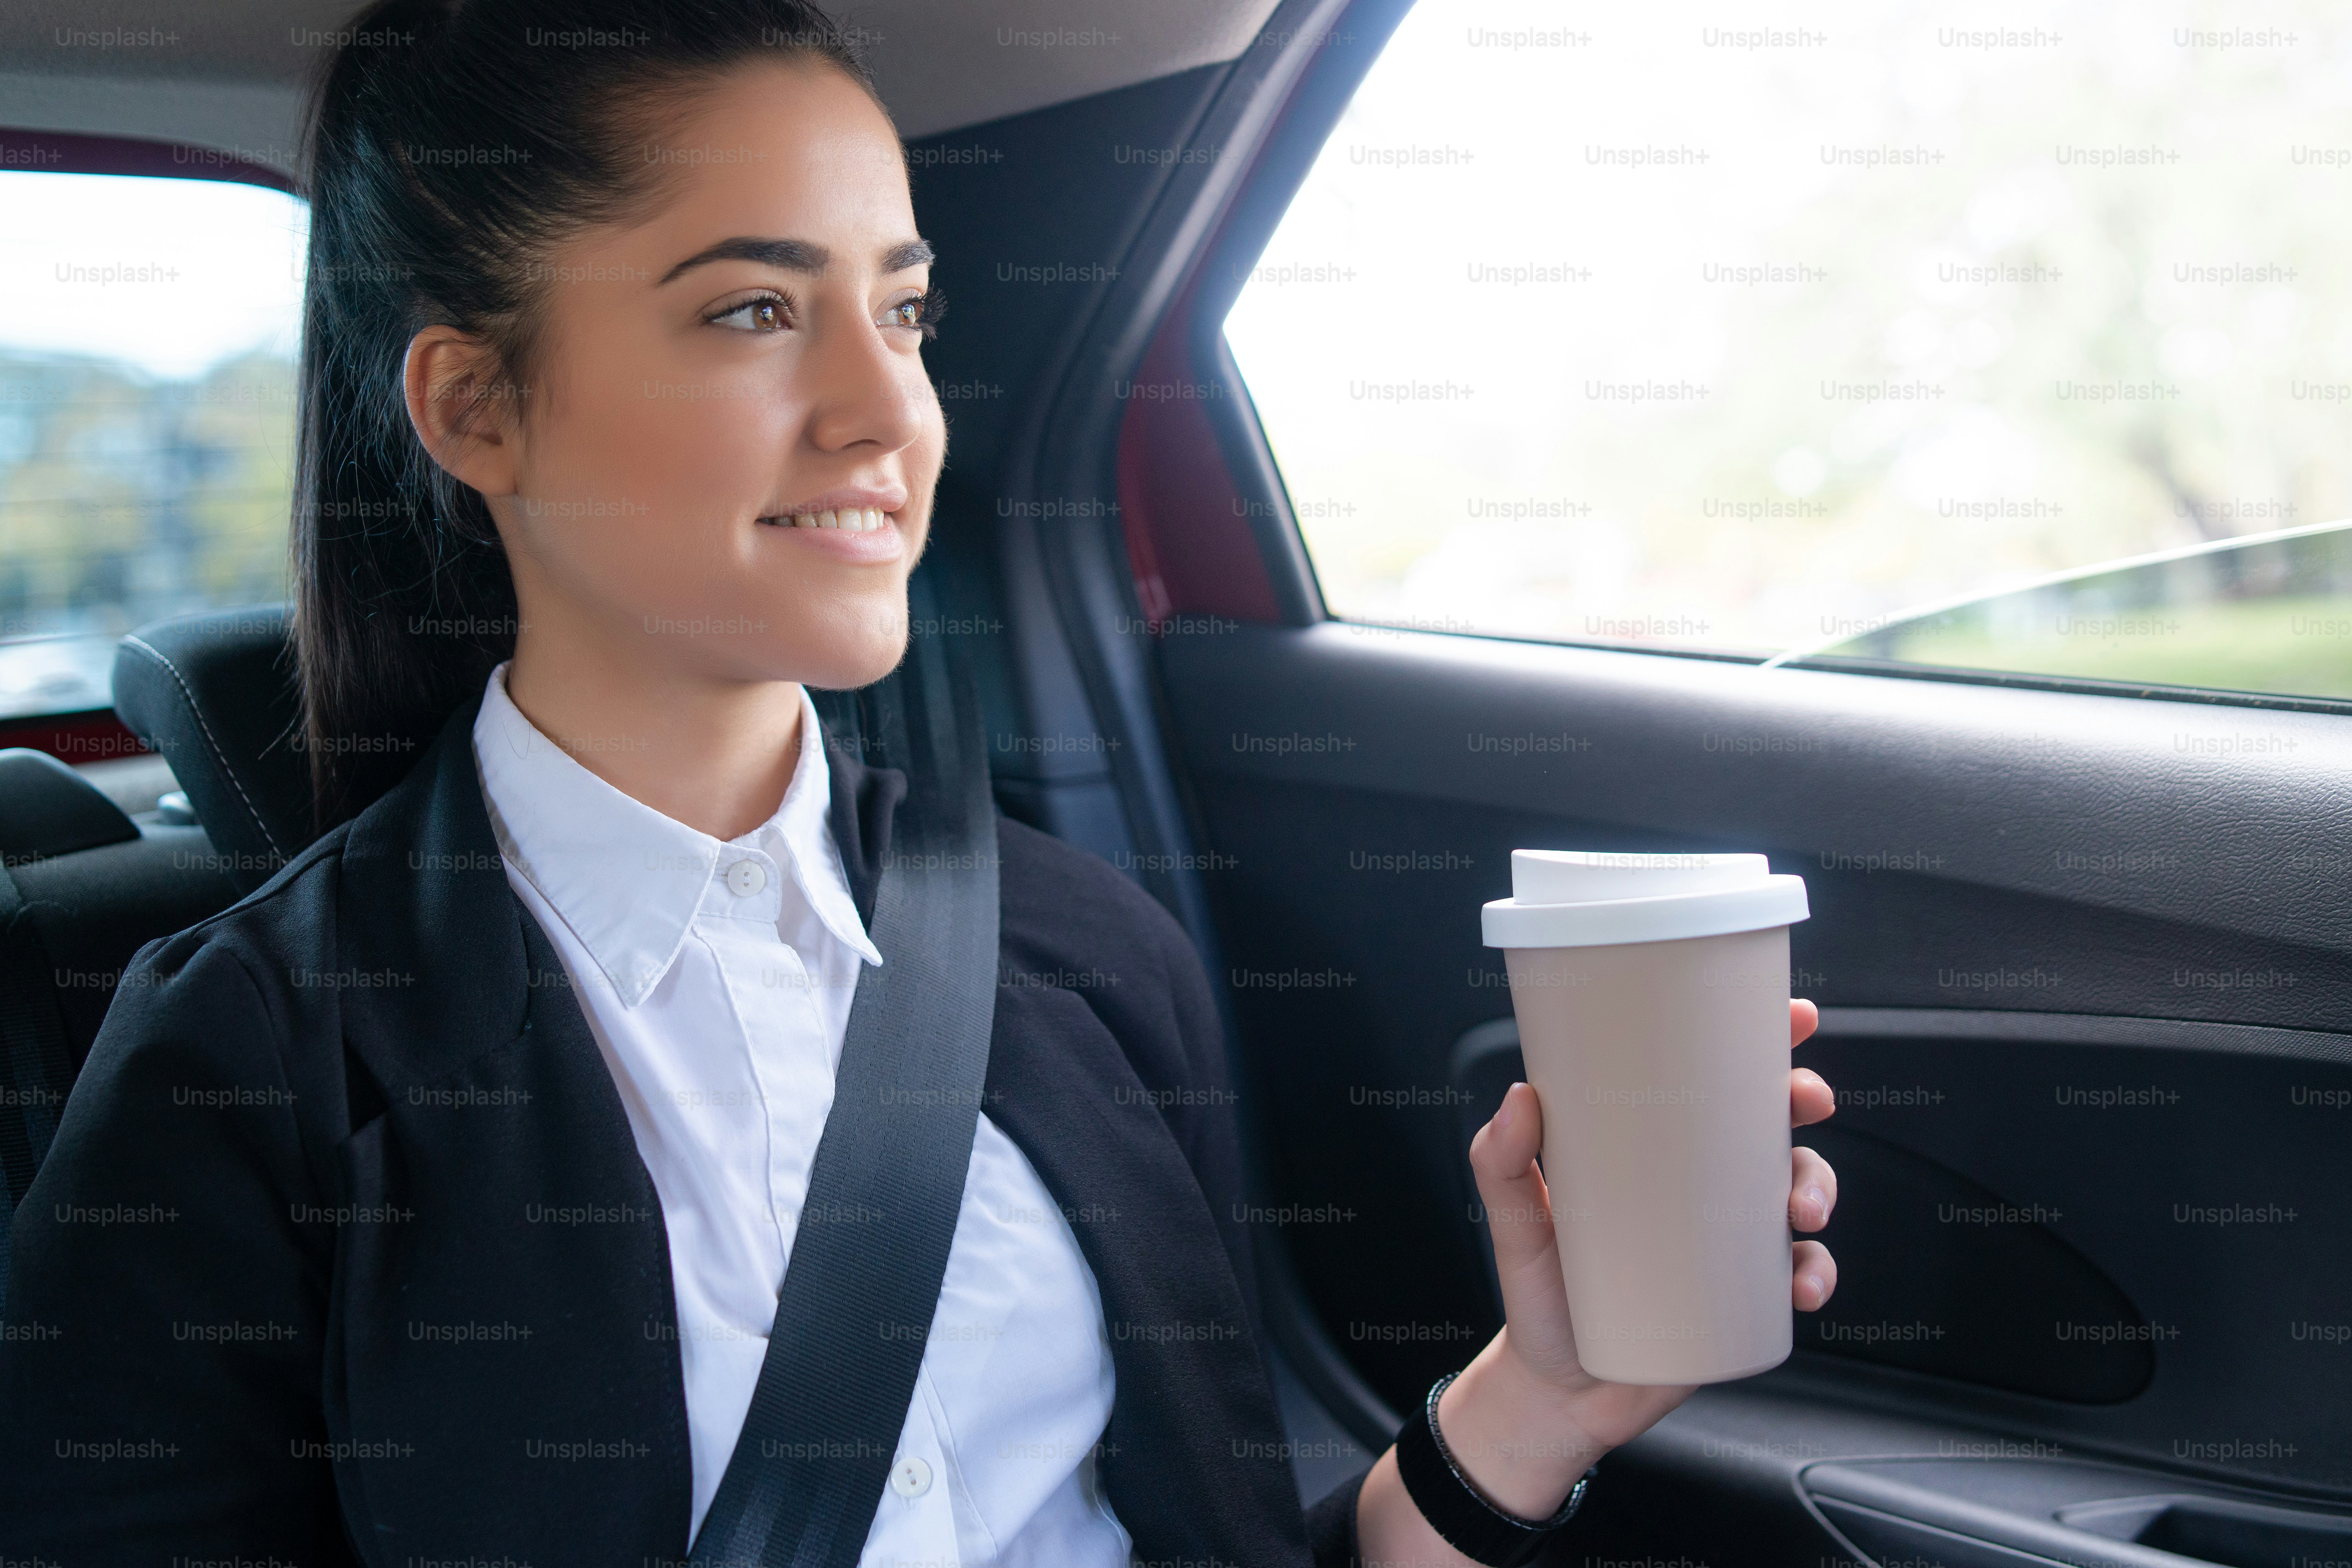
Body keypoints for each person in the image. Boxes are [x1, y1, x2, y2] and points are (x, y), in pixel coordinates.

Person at [0, 1, 1842, 1562]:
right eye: (749, 312)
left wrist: (1542, 1394)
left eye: (902, 312)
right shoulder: (240, 1072)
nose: (886, 414)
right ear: (477, 408)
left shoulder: (1076, 952)